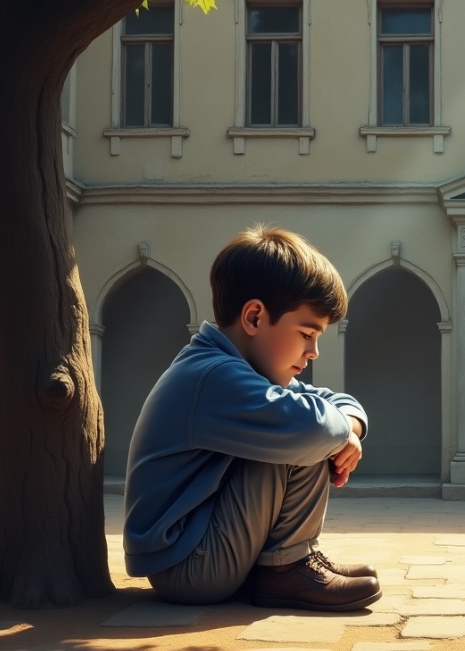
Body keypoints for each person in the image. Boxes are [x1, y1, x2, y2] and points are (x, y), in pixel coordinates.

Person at [123, 225, 380, 611]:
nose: (314, 352)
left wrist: (350, 430)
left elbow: (336, 402)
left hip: (201, 550)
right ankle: (286, 568)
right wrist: (337, 432)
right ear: (255, 317)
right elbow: (312, 426)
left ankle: (289, 562)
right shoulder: (212, 376)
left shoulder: (244, 371)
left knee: (308, 423)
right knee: (300, 433)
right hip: (188, 565)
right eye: (307, 333)